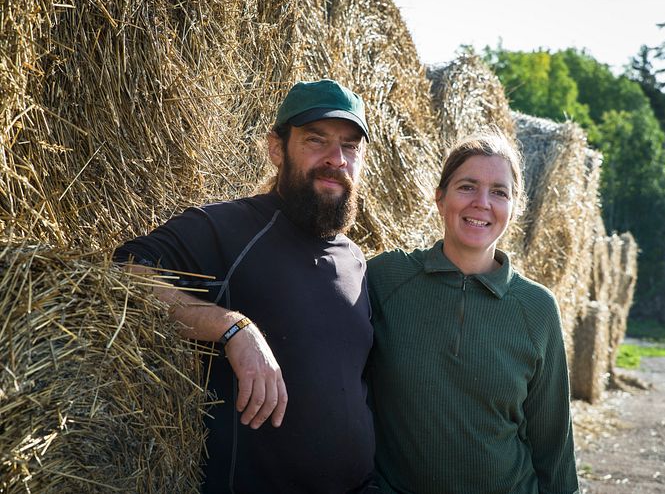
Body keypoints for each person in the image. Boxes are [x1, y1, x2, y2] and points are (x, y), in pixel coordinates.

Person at [114, 79, 376, 493]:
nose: (336, 159)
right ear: (276, 148)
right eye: (316, 140)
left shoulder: (356, 260)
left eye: (350, 147)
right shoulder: (230, 228)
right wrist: (232, 327)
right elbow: (125, 272)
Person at [366, 129, 579, 493]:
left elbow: (553, 443)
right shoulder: (385, 279)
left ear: (514, 209)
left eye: (499, 192)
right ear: (439, 197)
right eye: (467, 186)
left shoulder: (536, 308)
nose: (482, 202)